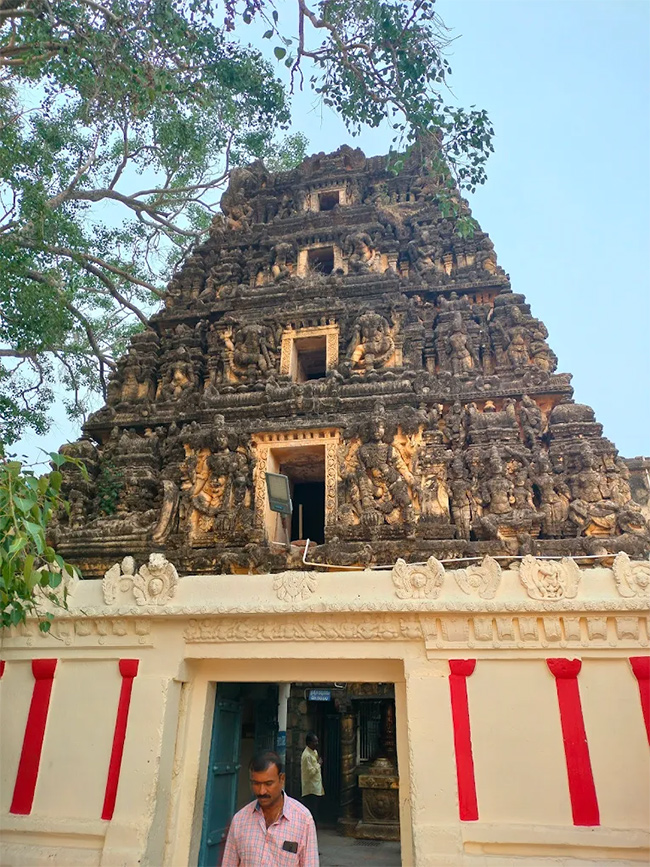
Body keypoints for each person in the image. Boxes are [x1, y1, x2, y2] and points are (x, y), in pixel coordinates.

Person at [221, 750, 319, 867]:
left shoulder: (303, 820)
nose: (262, 791)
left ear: (281, 779)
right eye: (256, 783)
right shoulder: (240, 820)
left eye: (268, 784)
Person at [301, 732, 324, 826]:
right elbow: (310, 772)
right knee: (311, 810)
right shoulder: (307, 755)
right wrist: (319, 765)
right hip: (310, 787)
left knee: (316, 808)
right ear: (309, 743)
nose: (317, 743)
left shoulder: (314, 752)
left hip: (316, 785)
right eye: (315, 742)